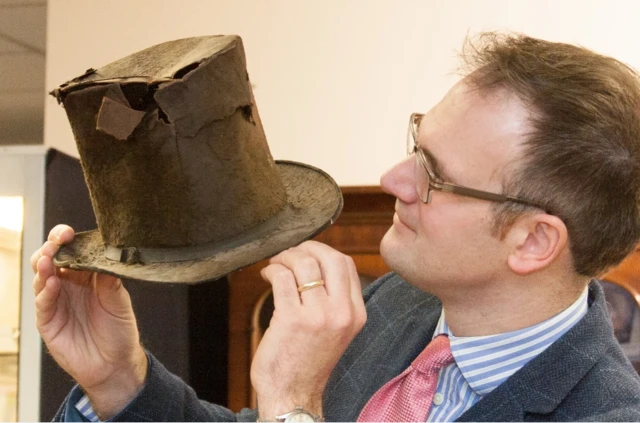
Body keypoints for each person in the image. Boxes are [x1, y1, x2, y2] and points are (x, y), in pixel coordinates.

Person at [32, 32, 640, 422]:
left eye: (434, 174)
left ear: (533, 241)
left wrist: (295, 404)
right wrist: (119, 379)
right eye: (415, 143)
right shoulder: (401, 303)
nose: (394, 178)